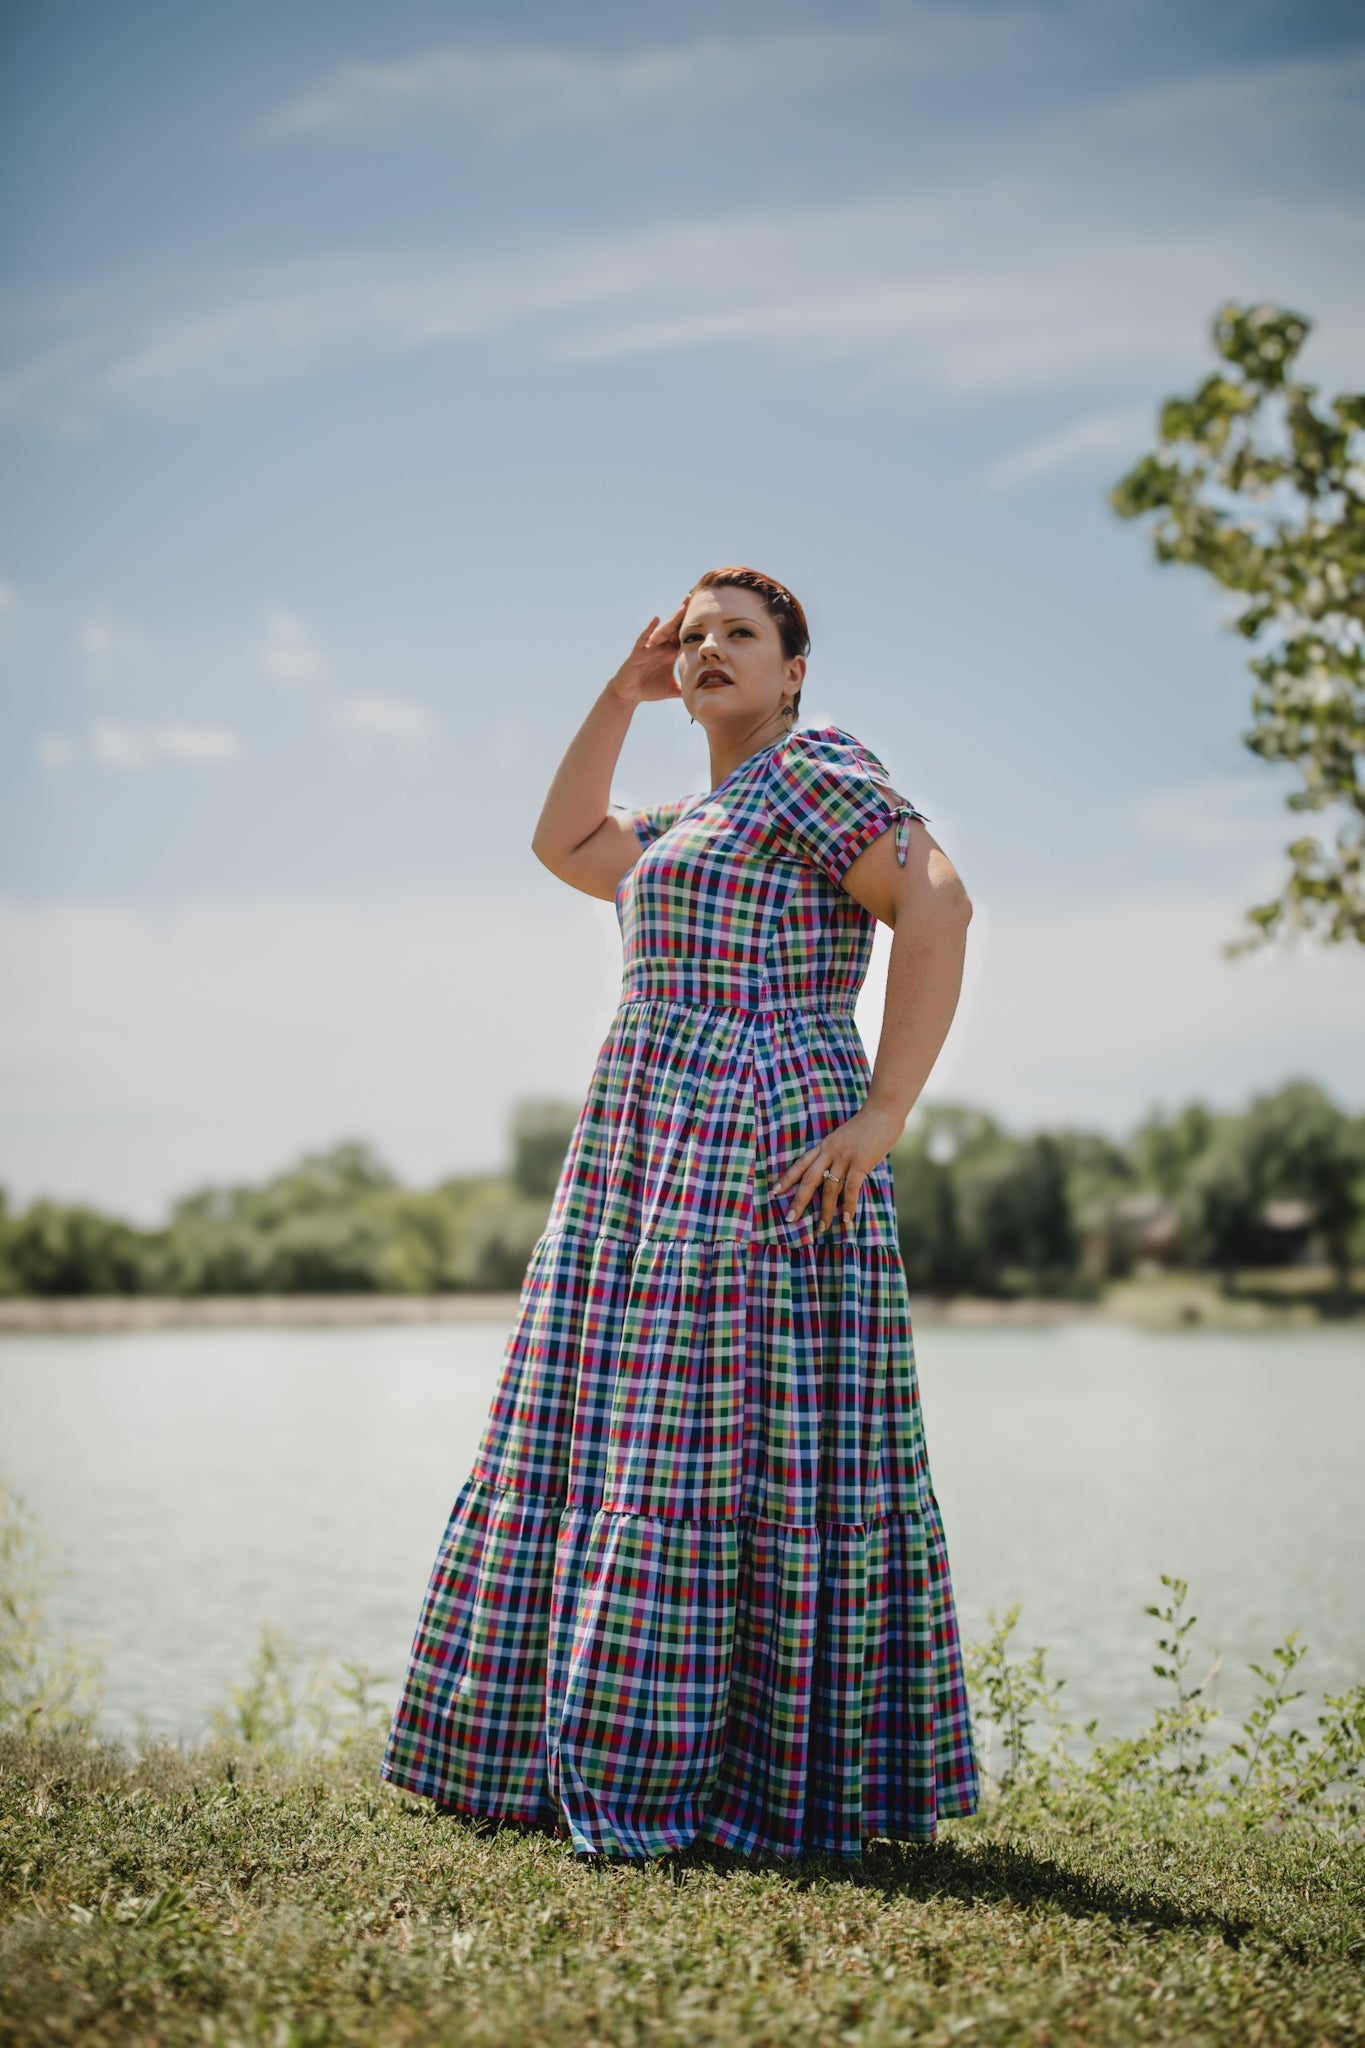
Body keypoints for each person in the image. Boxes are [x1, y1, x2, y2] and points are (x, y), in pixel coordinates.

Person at [381, 566, 979, 1860]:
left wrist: (883, 1115)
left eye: (740, 635)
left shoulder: (815, 768)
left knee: (714, 1441)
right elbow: (562, 844)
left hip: (762, 1135)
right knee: (628, 1429)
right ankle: (581, 1753)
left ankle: (744, 1783)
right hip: (646, 1148)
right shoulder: (699, 814)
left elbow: (937, 900)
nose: (710, 650)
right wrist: (617, 690)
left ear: (794, 669)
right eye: (694, 635)